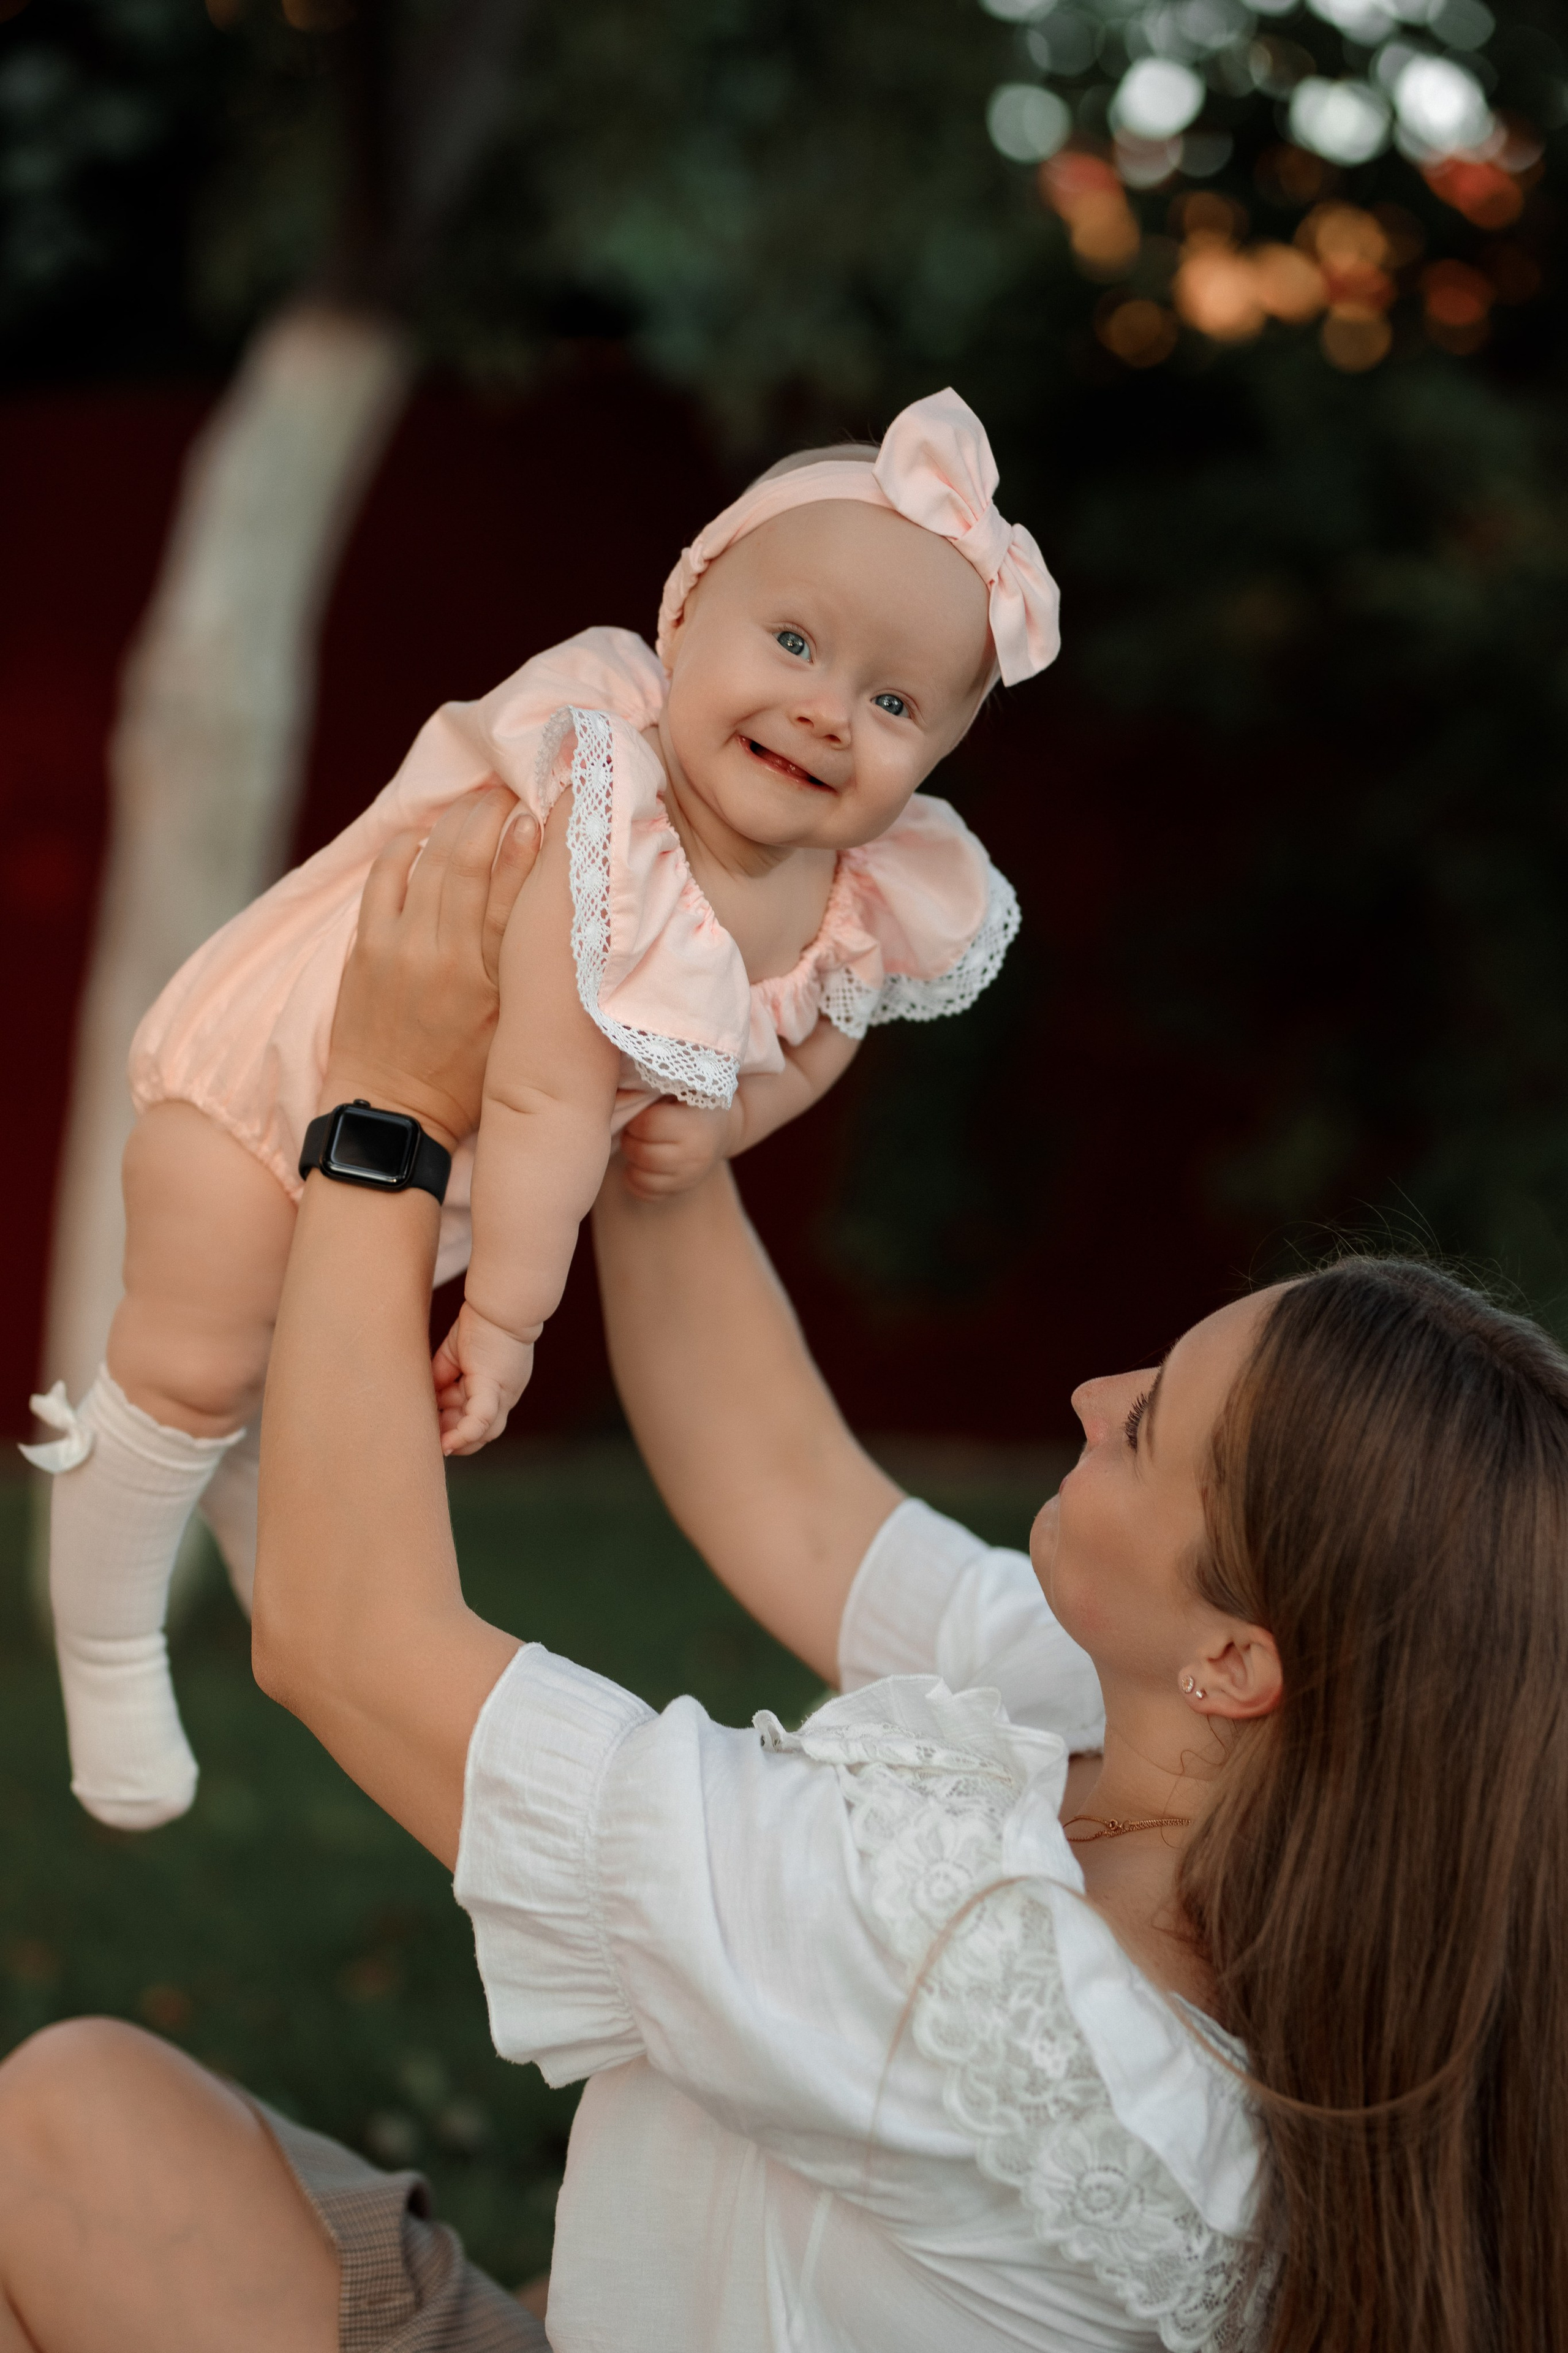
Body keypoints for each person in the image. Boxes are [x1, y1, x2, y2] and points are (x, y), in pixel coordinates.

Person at [0, 788, 1562, 2353]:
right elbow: (794, 1502)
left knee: (46, 2156)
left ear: (1235, 1659)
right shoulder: (1242, 1805)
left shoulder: (953, 1971)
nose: (1088, 1401)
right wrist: (647, 1058)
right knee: (81, 2118)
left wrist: (383, 1105)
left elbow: (349, 1638)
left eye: (1146, 1428)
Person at [24, 385, 1058, 1834]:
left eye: (892, 704)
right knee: (192, 1364)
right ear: (684, 615)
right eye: (794, 641)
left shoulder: (861, 889)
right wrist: (505, 1321)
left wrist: (732, 1127)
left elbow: (828, 1027)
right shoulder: (607, 807)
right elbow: (544, 1083)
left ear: (933, 756)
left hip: (440, 1168)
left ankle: (267, 1510)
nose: (827, 711)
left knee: (299, 1374)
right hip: (276, 1092)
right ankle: (109, 1643)